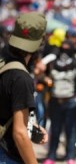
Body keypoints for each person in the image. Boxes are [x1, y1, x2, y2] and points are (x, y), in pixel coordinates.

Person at [0, 12, 48, 163]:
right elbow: (19, 133)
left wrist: (31, 126)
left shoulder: (3, 63)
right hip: (7, 154)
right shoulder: (21, 77)